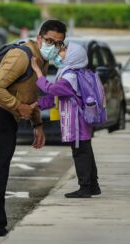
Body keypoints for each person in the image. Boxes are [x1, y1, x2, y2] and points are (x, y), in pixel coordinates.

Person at [0, 20, 67, 236]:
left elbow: (32, 95)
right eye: (49, 41)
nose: (53, 46)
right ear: (39, 38)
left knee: (1, 171)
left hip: (8, 117)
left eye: (59, 44)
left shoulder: (42, 60)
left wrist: (37, 124)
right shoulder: (22, 56)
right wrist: (19, 106)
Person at [31, 41, 101, 198]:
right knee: (85, 150)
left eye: (63, 50)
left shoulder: (70, 76)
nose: (59, 52)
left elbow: (51, 89)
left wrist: (38, 72)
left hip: (77, 122)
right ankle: (93, 186)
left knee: (80, 152)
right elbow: (54, 97)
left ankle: (85, 188)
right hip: (80, 121)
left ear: (72, 56)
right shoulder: (70, 73)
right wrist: (37, 105)